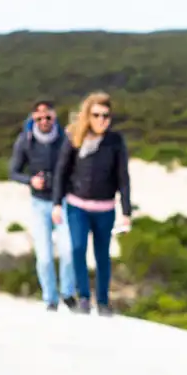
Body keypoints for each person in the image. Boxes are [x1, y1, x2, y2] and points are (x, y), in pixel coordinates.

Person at [51, 91, 132, 316]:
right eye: (96, 115)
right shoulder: (74, 138)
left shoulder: (116, 142)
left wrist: (126, 211)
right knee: (77, 249)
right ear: (88, 115)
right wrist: (57, 203)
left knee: (102, 255)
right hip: (77, 206)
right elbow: (61, 172)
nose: (101, 120)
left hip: (105, 209)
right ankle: (84, 297)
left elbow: (123, 178)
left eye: (106, 116)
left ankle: (103, 302)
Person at [8, 99, 77, 312]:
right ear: (33, 119)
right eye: (39, 118)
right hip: (39, 203)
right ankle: (50, 298)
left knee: (69, 251)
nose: (44, 121)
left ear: (55, 117)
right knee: (45, 257)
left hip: (63, 202)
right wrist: (31, 180)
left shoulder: (65, 139)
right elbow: (13, 172)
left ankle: (67, 293)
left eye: (48, 117)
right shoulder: (25, 141)